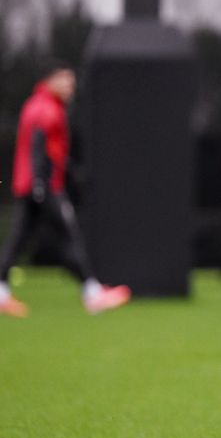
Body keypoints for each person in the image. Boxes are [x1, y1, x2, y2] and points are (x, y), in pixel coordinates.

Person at [0, 63, 131, 317]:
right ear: (51, 80)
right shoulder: (47, 109)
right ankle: (92, 292)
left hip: (30, 185)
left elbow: (52, 152)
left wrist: (69, 174)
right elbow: (40, 148)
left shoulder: (37, 104)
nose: (71, 87)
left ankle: (1, 291)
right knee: (68, 236)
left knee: (18, 240)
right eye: (66, 81)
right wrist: (41, 185)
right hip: (44, 186)